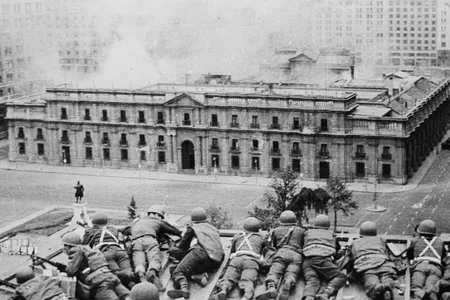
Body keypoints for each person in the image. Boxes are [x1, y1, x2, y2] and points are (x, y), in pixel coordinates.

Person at [167, 207, 224, 300]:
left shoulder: (193, 227)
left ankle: (184, 288)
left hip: (200, 254)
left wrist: (172, 249)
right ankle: (198, 276)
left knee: (177, 271)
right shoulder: (213, 228)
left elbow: (183, 246)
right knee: (178, 268)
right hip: (215, 262)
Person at [209, 217, 267, 300]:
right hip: (251, 261)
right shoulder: (261, 238)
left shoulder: (237, 237)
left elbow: (231, 253)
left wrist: (226, 268)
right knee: (248, 279)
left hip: (237, 260)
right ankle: (247, 293)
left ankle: (224, 289)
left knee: (228, 277)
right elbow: (266, 251)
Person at [62, 231, 130, 300]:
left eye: (65, 245)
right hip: (111, 277)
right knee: (130, 297)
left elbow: (70, 270)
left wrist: (63, 268)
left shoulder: (75, 250)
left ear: (68, 245)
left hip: (99, 283)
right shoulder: (89, 249)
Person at [128, 204, 182, 289]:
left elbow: (127, 230)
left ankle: (140, 274)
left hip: (136, 242)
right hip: (150, 239)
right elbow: (174, 231)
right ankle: (152, 272)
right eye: (160, 216)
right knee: (154, 258)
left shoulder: (137, 222)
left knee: (138, 260)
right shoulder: (158, 221)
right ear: (157, 214)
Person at [256, 210, 305, 300]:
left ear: (281, 221)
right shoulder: (302, 231)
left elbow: (273, 246)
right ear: (295, 221)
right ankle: (289, 281)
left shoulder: (276, 230)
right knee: (293, 271)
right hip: (296, 255)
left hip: (281, 253)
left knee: (274, 271)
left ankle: (271, 286)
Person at [83, 212, 136, 289]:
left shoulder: (90, 231)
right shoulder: (113, 229)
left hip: (106, 253)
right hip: (121, 252)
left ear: (94, 223)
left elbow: (84, 244)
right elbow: (126, 229)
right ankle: (138, 287)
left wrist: (87, 229)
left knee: (116, 274)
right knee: (129, 274)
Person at [348, 221, 398, 300]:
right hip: (384, 264)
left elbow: (351, 259)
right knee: (387, 276)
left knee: (371, 282)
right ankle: (388, 285)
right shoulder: (381, 240)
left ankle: (377, 288)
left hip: (367, 266)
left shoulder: (355, 243)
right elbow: (388, 253)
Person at [302, 214, 346, 300]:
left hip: (307, 261)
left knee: (312, 281)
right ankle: (325, 294)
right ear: (328, 225)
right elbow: (336, 254)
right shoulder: (331, 235)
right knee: (341, 276)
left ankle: (308, 297)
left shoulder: (307, 233)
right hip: (323, 261)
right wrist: (341, 253)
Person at [407, 219, 445, 300]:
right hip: (435, 268)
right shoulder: (440, 241)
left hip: (420, 266)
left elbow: (409, 255)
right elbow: (443, 257)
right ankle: (427, 293)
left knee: (416, 286)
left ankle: (419, 296)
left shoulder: (415, 240)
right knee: (430, 288)